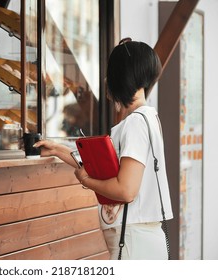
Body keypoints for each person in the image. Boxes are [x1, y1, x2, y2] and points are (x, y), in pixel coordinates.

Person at [34, 38, 173, 260]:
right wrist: (59, 150)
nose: (107, 81)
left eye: (111, 74)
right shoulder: (148, 117)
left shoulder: (135, 123)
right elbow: (106, 166)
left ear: (121, 78)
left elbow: (126, 190)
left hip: (133, 241)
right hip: (140, 239)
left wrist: (86, 181)